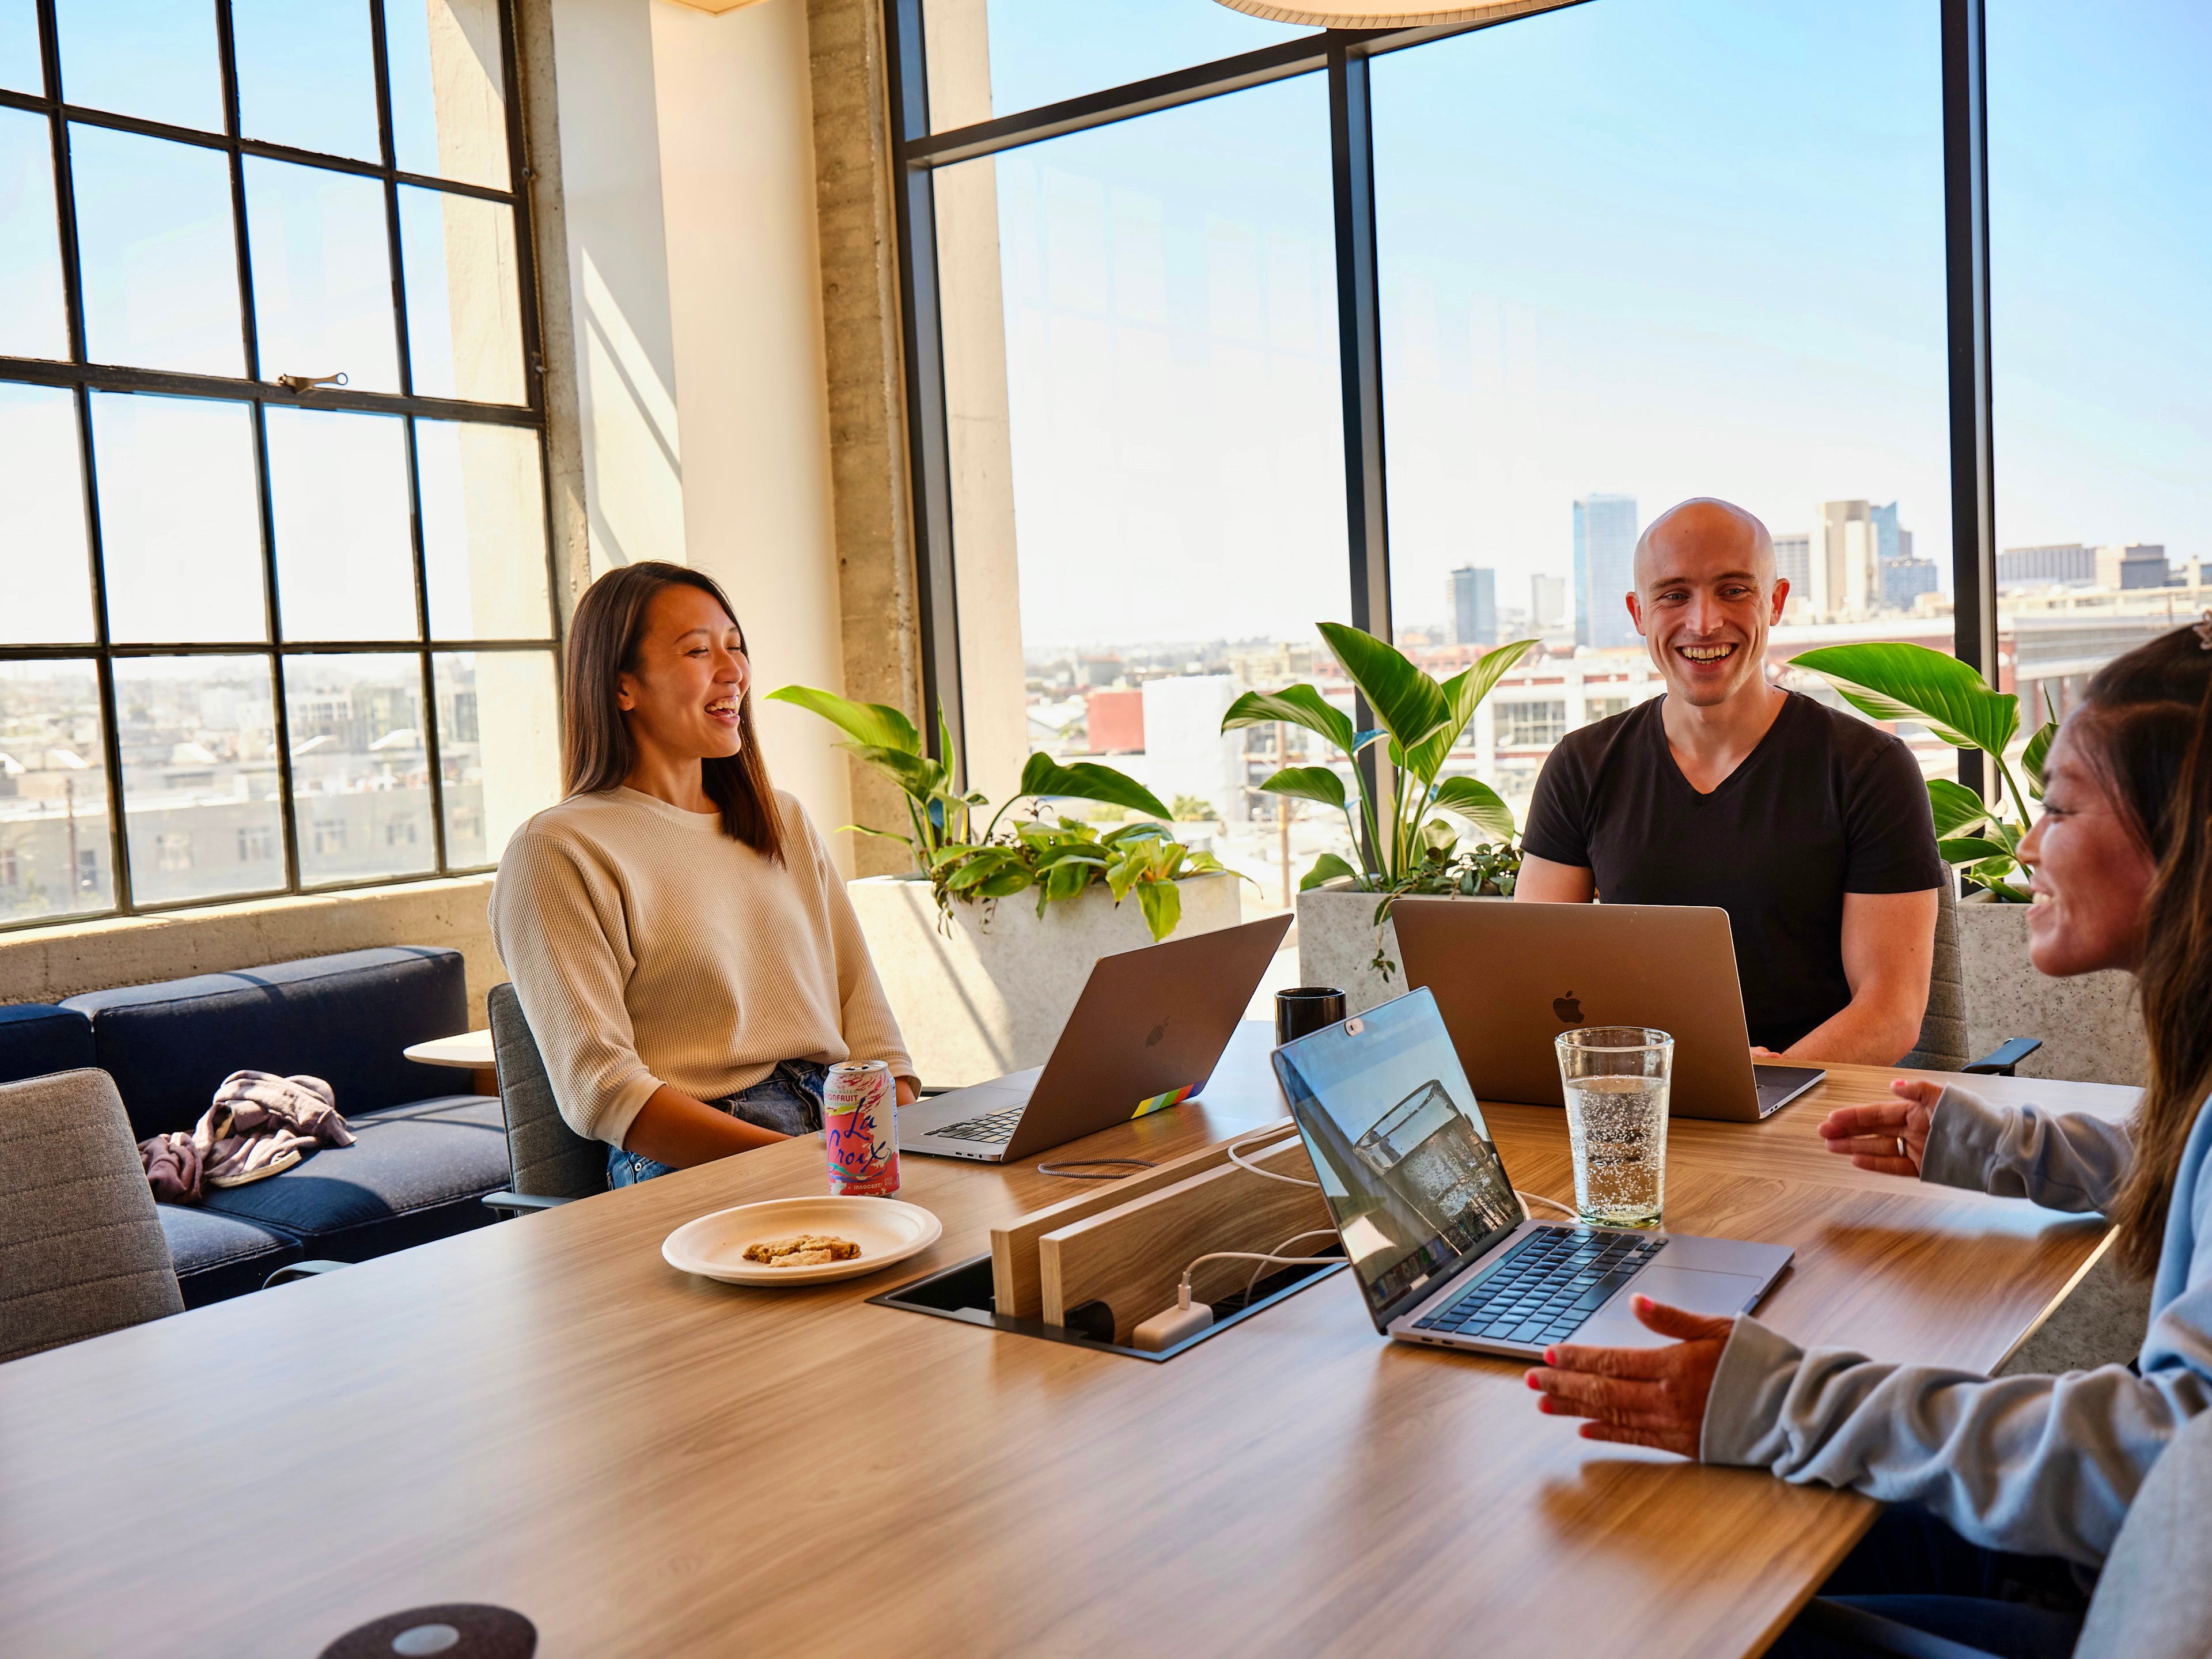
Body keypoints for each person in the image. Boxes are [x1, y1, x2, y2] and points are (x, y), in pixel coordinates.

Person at [1526, 622, 2212, 1659]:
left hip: (2131, 1604)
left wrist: (1787, 1399)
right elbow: (2184, 1164)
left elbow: (2170, 1458)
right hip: (2121, 1563)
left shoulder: (1853, 763)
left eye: (2062, 806)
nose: (2025, 845)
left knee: (1660, 1599)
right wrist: (1999, 1144)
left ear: (2187, 838)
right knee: (1694, 1525)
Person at [490, 562, 916, 1186]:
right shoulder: (556, 850)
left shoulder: (782, 819)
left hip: (843, 1124)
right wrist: (801, 1163)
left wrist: (896, 1135)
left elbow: (865, 1013)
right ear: (621, 688)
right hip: (697, 1153)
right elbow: (605, 1091)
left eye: (736, 648)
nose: (733, 671)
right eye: (698, 651)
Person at [1517, 498, 1944, 1063]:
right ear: (1639, 613)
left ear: (1776, 601)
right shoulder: (1582, 766)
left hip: (1815, 1111)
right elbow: (1532, 985)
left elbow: (1891, 1012)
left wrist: (1767, 1086)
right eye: (1674, 595)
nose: (1704, 622)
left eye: (1734, 590)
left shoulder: (1868, 769)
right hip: (1639, 1102)